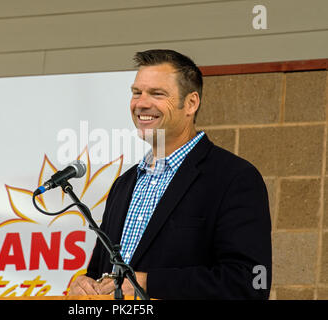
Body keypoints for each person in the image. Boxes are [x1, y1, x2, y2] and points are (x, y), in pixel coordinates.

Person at [68, 49, 272, 299]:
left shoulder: (235, 178)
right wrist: (84, 283)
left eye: (157, 94)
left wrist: (148, 283)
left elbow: (251, 282)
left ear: (191, 103)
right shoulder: (124, 184)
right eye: (136, 93)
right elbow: (101, 271)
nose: (141, 103)